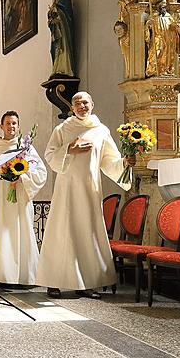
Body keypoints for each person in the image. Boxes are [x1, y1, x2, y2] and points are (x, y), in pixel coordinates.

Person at [36, 91, 131, 299]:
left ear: (92, 104)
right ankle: (54, 282)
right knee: (62, 232)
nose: (81, 106)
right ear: (72, 108)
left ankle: (87, 283)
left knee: (87, 233)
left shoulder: (101, 131)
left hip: (89, 189)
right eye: (77, 103)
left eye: (85, 102)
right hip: (67, 189)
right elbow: (50, 155)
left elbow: (109, 161)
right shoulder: (63, 129)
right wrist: (70, 148)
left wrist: (124, 164)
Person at [0, 111, 47, 286]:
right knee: (2, 235)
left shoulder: (26, 148)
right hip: (2, 199)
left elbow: (40, 172)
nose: (11, 127)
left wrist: (21, 176)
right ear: (1, 126)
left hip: (21, 198)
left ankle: (24, 277)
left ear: (18, 126)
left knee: (21, 232)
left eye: (14, 123)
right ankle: (0, 276)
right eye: (8, 123)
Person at [145, 0, 179, 77]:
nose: (164, 6)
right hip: (158, 38)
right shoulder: (153, 16)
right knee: (156, 53)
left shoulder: (169, 17)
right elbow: (147, 28)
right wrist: (148, 24)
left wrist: (176, 27)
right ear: (158, 5)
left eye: (165, 4)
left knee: (167, 55)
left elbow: (173, 27)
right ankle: (154, 70)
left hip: (168, 39)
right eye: (162, 4)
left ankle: (165, 70)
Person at [48, 0, 75, 77]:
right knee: (54, 49)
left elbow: (67, 13)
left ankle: (65, 68)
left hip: (63, 29)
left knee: (63, 46)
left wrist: (57, 11)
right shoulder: (55, 2)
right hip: (57, 29)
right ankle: (58, 68)